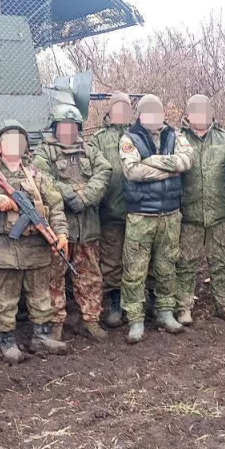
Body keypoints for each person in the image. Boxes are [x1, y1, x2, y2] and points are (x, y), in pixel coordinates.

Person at [0, 120, 70, 362]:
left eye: (19, 141)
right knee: (5, 298)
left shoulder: (37, 176)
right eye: (8, 140)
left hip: (36, 247)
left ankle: (41, 337)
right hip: (4, 248)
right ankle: (7, 341)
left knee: (40, 295)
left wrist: (61, 234)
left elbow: (55, 206)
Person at [32, 104, 112, 342]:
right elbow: (42, 178)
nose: (68, 130)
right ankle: (55, 323)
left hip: (88, 225)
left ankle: (91, 319)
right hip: (59, 228)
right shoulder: (44, 152)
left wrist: (86, 197)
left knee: (91, 275)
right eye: (63, 126)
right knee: (53, 277)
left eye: (72, 126)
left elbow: (104, 172)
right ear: (55, 127)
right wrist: (69, 196)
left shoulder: (90, 150)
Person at [119, 94, 193, 343]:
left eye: (157, 111)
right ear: (140, 116)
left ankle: (165, 312)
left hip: (170, 213)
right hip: (141, 215)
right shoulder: (129, 138)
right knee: (135, 270)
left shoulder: (175, 135)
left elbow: (187, 161)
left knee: (167, 266)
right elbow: (133, 171)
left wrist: (152, 161)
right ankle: (135, 320)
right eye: (148, 112)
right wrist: (169, 169)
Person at [174, 94, 225, 324]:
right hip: (188, 213)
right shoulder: (178, 140)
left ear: (211, 114)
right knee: (185, 262)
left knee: (222, 261)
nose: (201, 116)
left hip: (219, 212)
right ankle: (183, 307)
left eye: (205, 111)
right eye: (196, 112)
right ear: (188, 115)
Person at [89, 92, 133, 328]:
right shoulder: (99, 139)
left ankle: (141, 302)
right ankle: (115, 304)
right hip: (110, 210)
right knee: (112, 260)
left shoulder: (138, 133)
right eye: (118, 108)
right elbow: (94, 169)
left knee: (139, 259)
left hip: (138, 210)